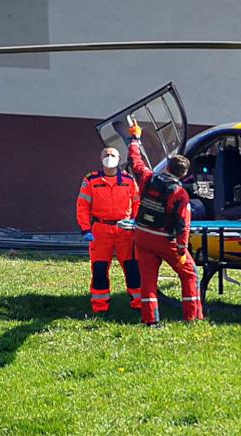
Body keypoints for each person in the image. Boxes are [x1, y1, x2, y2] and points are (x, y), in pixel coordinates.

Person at [125, 125, 203, 325]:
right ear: (183, 175)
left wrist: (135, 139)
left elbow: (135, 161)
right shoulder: (180, 193)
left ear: (167, 167)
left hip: (142, 235)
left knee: (148, 279)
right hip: (164, 239)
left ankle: (150, 321)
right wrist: (181, 248)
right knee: (190, 274)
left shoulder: (149, 178)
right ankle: (192, 317)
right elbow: (183, 222)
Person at [76, 146, 142, 314]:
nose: (109, 157)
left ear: (119, 159)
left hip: (125, 229)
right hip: (100, 230)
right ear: (101, 158)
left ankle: (139, 303)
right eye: (106, 154)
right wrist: (85, 229)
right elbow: (82, 206)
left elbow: (137, 204)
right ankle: (100, 306)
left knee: (132, 267)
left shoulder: (128, 181)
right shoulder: (91, 180)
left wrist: (136, 223)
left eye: (113, 154)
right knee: (99, 268)